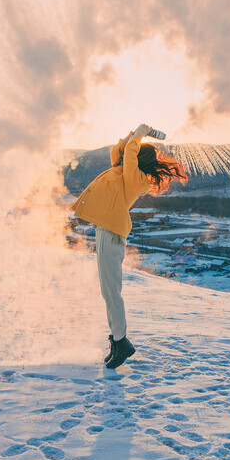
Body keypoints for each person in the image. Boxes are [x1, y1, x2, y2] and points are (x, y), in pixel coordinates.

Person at [70, 122, 188, 369]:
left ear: (137, 160)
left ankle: (122, 343)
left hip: (112, 235)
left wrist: (140, 137)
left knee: (112, 292)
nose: (123, 157)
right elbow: (117, 151)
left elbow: (129, 157)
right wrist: (133, 134)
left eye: (129, 156)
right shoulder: (123, 172)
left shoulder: (137, 180)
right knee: (108, 292)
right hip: (106, 233)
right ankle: (116, 340)